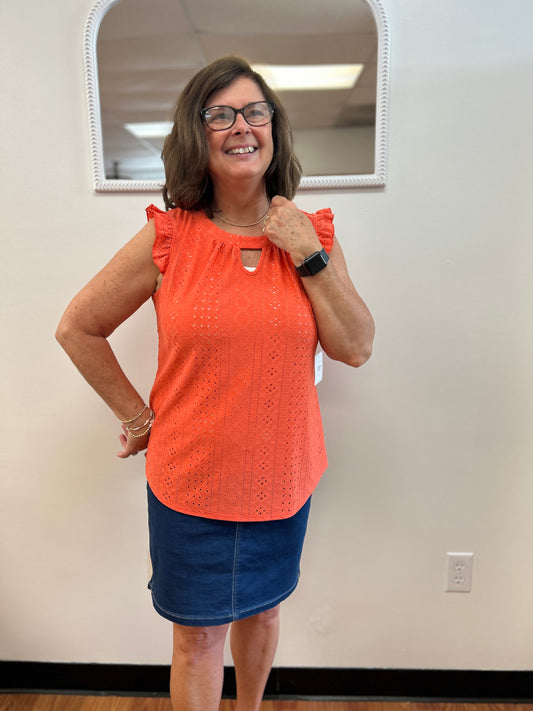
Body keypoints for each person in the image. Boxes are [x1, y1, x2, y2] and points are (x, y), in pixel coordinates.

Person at [56, 55, 374, 711]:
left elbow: (356, 346)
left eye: (255, 111)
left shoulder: (311, 237)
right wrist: (139, 418)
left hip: (282, 480)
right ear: (195, 135)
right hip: (190, 485)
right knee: (197, 637)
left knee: (263, 613)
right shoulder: (168, 237)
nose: (241, 126)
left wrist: (306, 253)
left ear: (274, 128)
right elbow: (78, 327)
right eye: (219, 115)